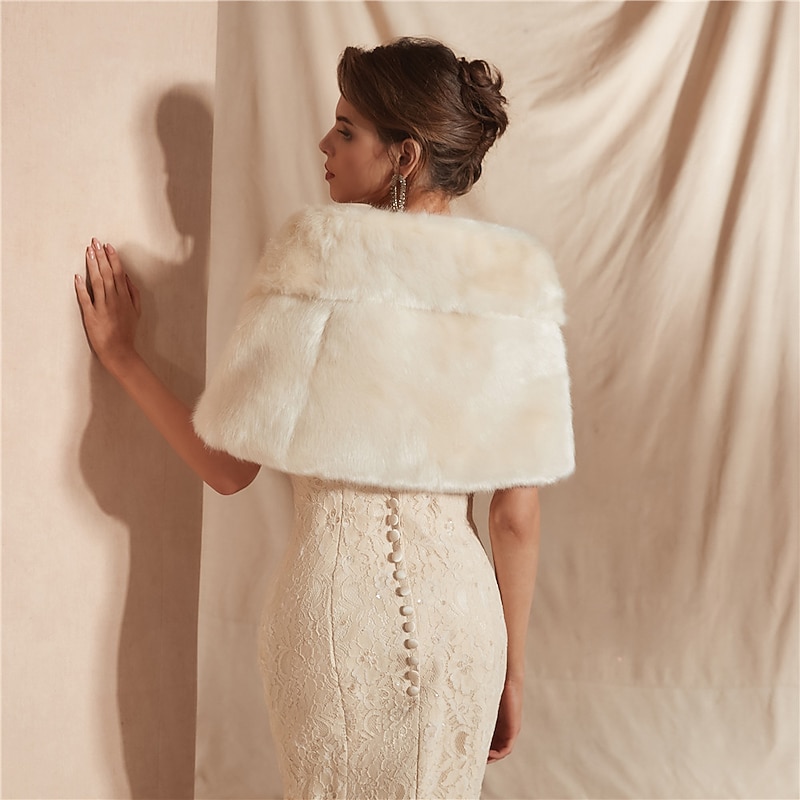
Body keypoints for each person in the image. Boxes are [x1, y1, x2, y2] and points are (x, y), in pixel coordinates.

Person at [75, 37, 574, 800]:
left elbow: (228, 469)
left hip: (333, 619)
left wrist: (123, 359)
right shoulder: (517, 286)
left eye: (345, 129)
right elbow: (515, 516)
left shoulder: (313, 260)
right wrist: (512, 671)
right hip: (465, 628)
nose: (324, 144)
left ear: (404, 156)